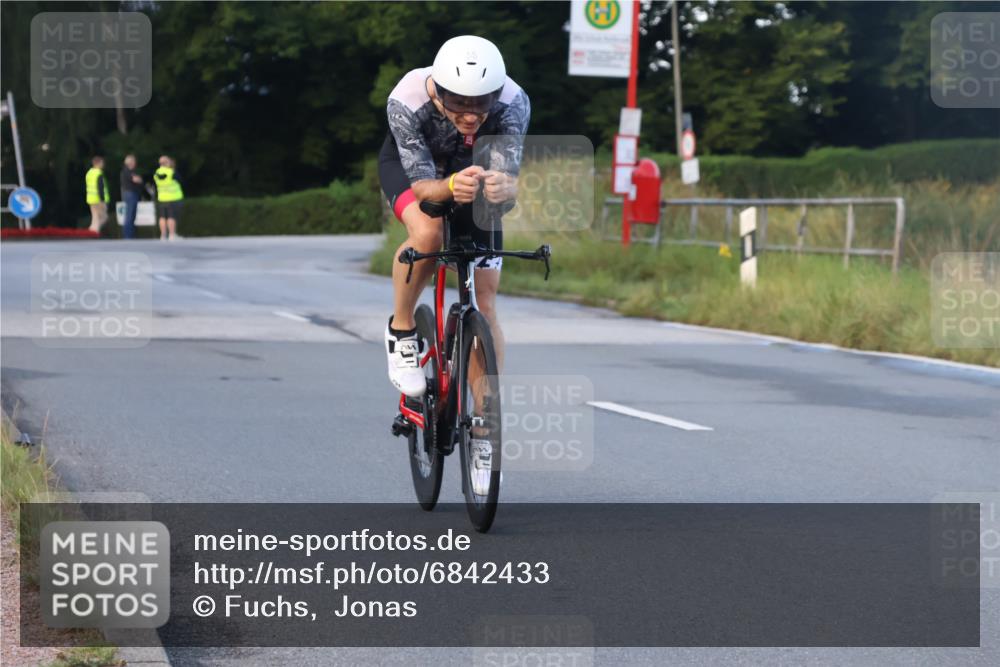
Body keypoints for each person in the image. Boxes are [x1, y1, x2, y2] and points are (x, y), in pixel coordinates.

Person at [380, 35, 529, 402]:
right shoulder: (407, 98)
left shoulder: (514, 102)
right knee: (428, 233)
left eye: (481, 105)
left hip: (471, 169)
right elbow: (425, 190)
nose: (471, 115)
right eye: (459, 104)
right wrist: (448, 185)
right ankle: (401, 329)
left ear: (496, 93)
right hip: (414, 170)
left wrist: (503, 189)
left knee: (485, 299)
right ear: (439, 91)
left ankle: (484, 415)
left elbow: (507, 179)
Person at [153, 155, 184, 241]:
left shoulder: (156, 173)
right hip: (173, 197)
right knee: (171, 217)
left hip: (162, 198)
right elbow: (180, 181)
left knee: (162, 217)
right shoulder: (171, 172)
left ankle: (163, 235)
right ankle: (172, 235)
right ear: (167, 163)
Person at [119, 154, 143, 239]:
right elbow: (137, 180)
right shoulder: (127, 171)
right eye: (134, 161)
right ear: (130, 162)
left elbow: (138, 180)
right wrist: (138, 179)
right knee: (130, 215)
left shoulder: (130, 171)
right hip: (130, 194)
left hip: (131, 194)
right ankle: (128, 236)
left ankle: (130, 235)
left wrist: (139, 179)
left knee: (132, 215)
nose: (135, 163)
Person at [85, 156, 110, 233]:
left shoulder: (89, 173)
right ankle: (95, 231)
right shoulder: (98, 173)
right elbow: (100, 187)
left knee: (95, 218)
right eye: (102, 163)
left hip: (91, 199)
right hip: (99, 199)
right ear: (98, 163)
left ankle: (90, 232)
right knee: (103, 217)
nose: (103, 164)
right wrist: (102, 199)